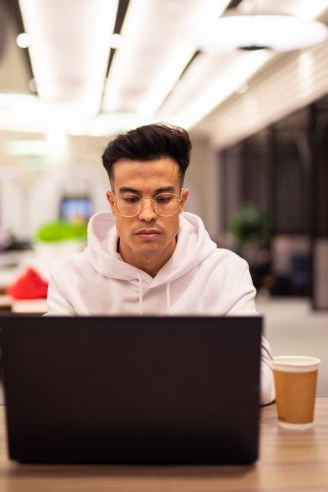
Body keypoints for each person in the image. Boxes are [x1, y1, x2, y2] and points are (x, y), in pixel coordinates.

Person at [47, 123, 275, 405]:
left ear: (182, 201)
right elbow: (49, 374)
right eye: (131, 199)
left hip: (198, 439)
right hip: (103, 441)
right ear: (112, 202)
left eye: (163, 198)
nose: (147, 214)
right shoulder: (70, 278)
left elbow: (262, 377)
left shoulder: (226, 272)